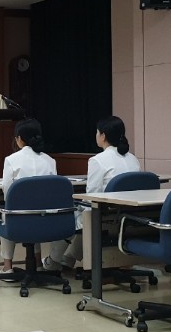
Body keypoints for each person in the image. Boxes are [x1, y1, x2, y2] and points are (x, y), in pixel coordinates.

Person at [47, 116, 140, 271]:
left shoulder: (98, 160)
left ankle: (53, 262)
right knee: (86, 215)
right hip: (128, 216)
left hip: (104, 215)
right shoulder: (133, 159)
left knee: (68, 213)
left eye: (97, 132)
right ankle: (68, 259)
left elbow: (92, 196)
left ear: (103, 136)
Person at [0, 119, 58, 277]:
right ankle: (38, 264)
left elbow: (7, 193)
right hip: (46, 218)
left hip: (19, 217)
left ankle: (7, 267)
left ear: (19, 138)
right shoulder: (50, 161)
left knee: (7, 212)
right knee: (35, 213)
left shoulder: (11, 160)